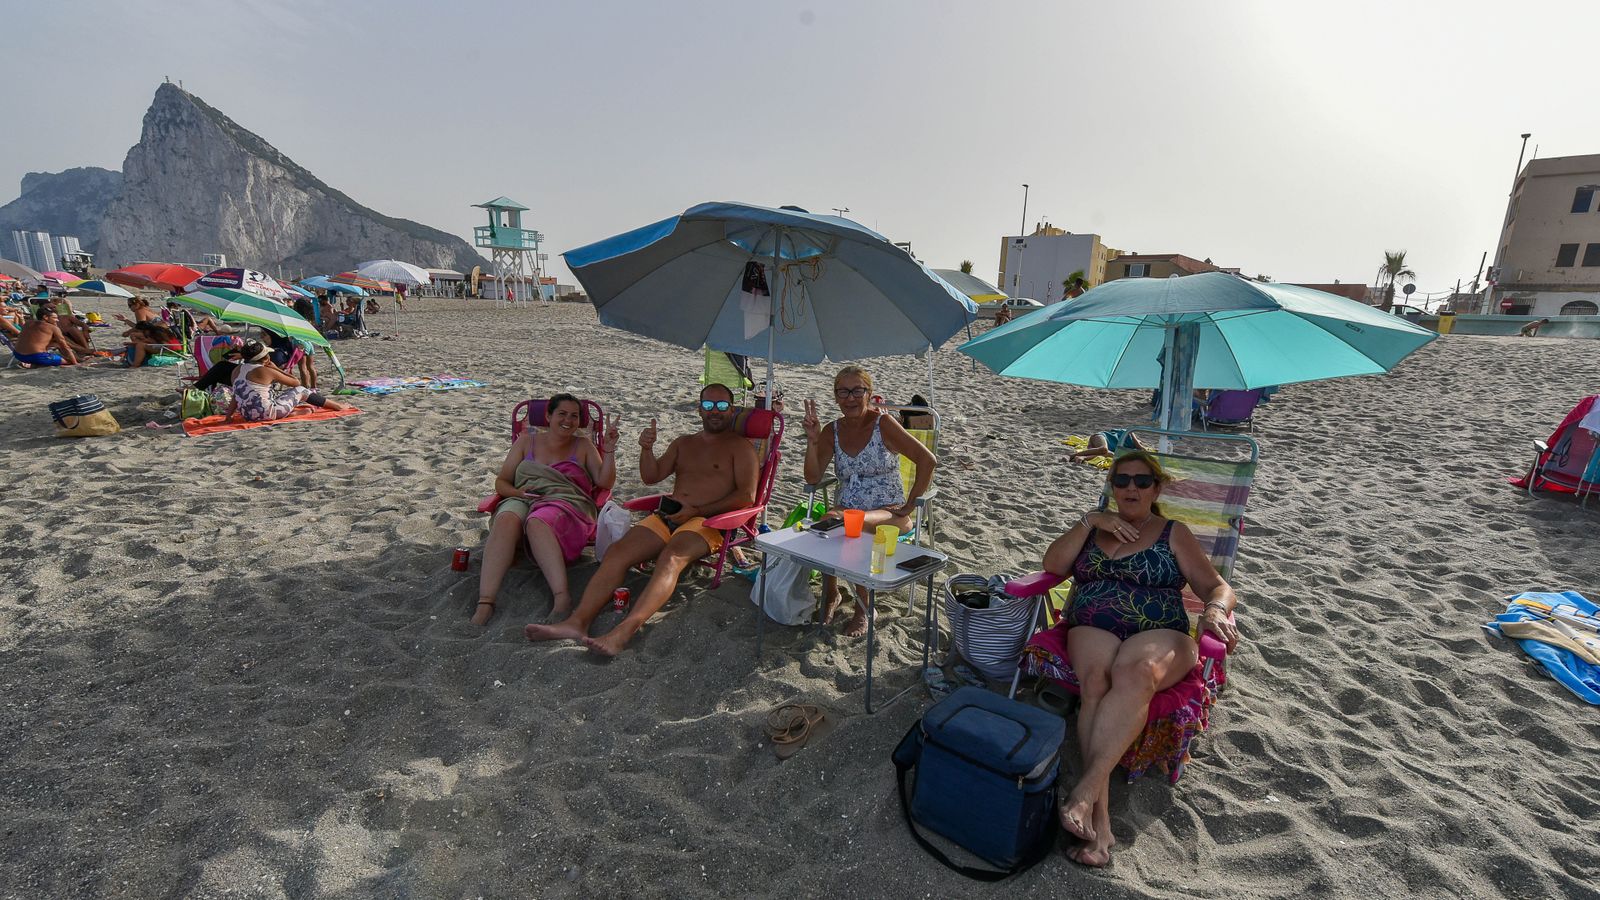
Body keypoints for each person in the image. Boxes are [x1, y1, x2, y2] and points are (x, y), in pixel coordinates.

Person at [1036, 450, 1239, 867]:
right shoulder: (1094, 529)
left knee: (1136, 670)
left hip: (1160, 632)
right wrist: (1090, 520)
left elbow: (1217, 586)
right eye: (1122, 480)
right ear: (1112, 487)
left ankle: (1085, 793)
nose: (1132, 487)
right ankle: (1101, 826)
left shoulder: (1173, 533)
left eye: (1142, 481)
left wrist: (1216, 610)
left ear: (1156, 489)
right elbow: (1052, 564)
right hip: (1092, 625)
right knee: (1096, 681)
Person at [525, 383, 759, 657]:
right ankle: (577, 623)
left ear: (732, 410)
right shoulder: (684, 443)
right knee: (617, 553)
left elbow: (746, 497)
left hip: (709, 521)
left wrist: (697, 510)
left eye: (722, 406)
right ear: (699, 409)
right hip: (669, 514)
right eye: (708, 405)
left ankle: (624, 632)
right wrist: (646, 449)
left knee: (670, 558)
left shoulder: (741, 448)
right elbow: (651, 476)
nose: (715, 411)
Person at [800, 365, 936, 636]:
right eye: (843, 392)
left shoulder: (883, 424)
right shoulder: (831, 430)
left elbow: (927, 460)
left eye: (857, 391)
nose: (850, 398)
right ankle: (831, 593)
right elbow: (813, 477)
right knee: (830, 521)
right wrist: (813, 441)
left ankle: (865, 606)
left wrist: (910, 504)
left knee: (852, 523)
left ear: (869, 394)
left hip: (890, 513)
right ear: (836, 396)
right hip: (845, 509)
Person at [473, 394, 620, 626]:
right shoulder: (526, 442)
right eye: (562, 414)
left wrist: (609, 451)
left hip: (564, 500)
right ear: (548, 416)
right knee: (506, 518)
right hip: (524, 496)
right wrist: (518, 493)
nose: (568, 420)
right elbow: (501, 482)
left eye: (574, 416)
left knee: (537, 521)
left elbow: (605, 482)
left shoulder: (583, 445)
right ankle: (485, 602)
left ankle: (561, 597)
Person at [231, 339, 349, 421]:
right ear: (266, 358)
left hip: (248, 416)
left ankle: (291, 414)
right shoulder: (265, 370)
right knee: (301, 390)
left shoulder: (236, 370)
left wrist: (228, 416)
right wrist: (275, 368)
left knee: (270, 396)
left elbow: (236, 396)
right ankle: (338, 406)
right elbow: (296, 383)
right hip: (268, 413)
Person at [12, 308, 79, 366]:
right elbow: (65, 347)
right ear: (45, 317)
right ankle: (75, 360)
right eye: (54, 318)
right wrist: (75, 363)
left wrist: (21, 318)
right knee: (69, 361)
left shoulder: (28, 323)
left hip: (18, 355)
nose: (57, 320)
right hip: (37, 357)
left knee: (54, 344)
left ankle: (34, 364)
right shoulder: (52, 328)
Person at [1070, 428, 1147, 464]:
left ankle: (1082, 457)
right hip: (1101, 437)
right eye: (1140, 442)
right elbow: (1142, 449)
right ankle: (1071, 456)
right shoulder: (1130, 433)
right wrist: (1140, 446)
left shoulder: (1128, 448)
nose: (1141, 442)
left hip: (1096, 449)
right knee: (1104, 449)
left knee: (1111, 454)